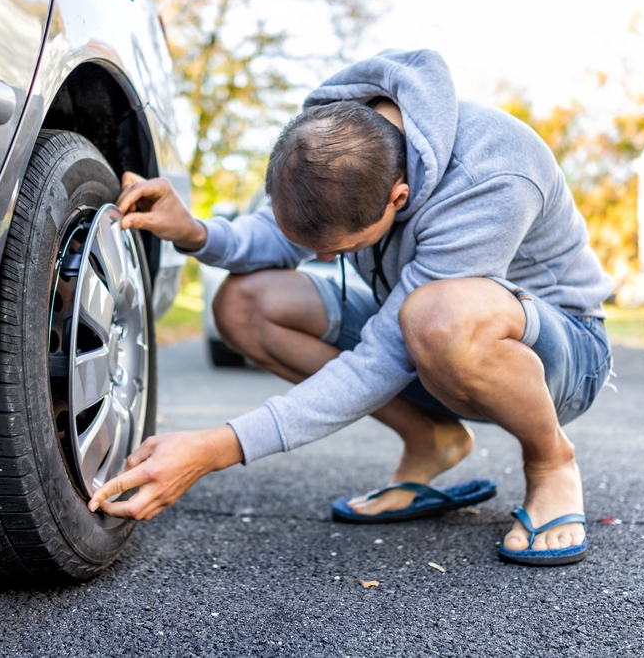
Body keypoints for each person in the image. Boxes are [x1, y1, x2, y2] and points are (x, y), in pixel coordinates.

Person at [87, 50, 613, 566]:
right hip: (428, 337)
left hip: (561, 356)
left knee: (437, 316)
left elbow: (384, 358)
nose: (319, 259)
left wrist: (219, 447)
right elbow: (283, 233)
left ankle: (551, 462)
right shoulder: (332, 138)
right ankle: (430, 438)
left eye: (338, 250)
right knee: (246, 304)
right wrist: (196, 232)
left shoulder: (492, 175)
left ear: (399, 198)